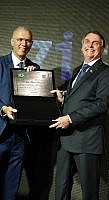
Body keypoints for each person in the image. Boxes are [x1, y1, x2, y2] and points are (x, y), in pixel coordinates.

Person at [50, 31, 109, 200]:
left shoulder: (106, 72)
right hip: (66, 140)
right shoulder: (78, 70)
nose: (90, 45)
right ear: (81, 46)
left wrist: (70, 118)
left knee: (89, 193)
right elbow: (79, 100)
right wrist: (63, 99)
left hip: (87, 141)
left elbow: (101, 105)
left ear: (102, 48)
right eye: (87, 41)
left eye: (95, 43)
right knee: (61, 190)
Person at [0, 26, 39, 200]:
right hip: (1, 132)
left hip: (21, 136)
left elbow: (38, 103)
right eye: (20, 39)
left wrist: (35, 78)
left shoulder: (35, 67)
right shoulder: (0, 64)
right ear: (12, 41)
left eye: (28, 40)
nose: (24, 43)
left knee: (12, 184)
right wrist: (3, 109)